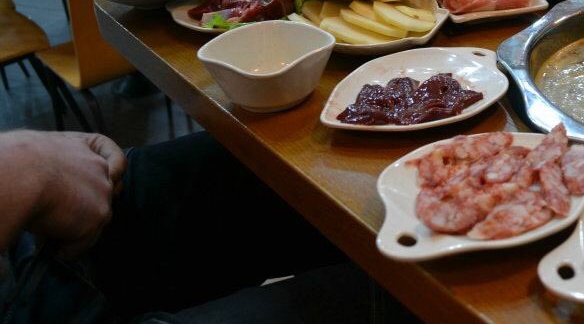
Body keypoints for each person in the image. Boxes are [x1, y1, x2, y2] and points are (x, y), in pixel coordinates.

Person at [0, 130, 368, 323]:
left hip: (22, 235)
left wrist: (25, 161)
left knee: (317, 166)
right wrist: (29, 164)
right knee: (388, 296)